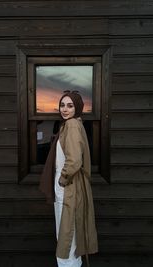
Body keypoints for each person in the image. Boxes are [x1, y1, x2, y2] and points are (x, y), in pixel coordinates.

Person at [39, 91, 98, 267]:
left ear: (78, 108)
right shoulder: (73, 124)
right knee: (70, 234)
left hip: (68, 186)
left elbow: (73, 162)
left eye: (70, 105)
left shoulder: (71, 125)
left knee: (66, 235)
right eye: (62, 105)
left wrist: (62, 180)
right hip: (69, 185)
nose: (65, 109)